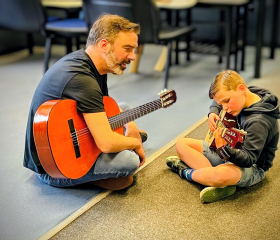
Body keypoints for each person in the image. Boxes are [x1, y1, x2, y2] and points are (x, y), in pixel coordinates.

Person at [23, 14, 147, 190]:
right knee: (129, 161)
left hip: (69, 136)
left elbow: (103, 108)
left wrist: (130, 122)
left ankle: (122, 138)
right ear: (104, 45)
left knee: (124, 108)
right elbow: (106, 143)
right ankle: (92, 173)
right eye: (127, 48)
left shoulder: (89, 63)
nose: (132, 56)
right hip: (53, 168)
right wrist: (135, 143)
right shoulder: (82, 79)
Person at [166, 70, 280, 203]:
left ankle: (186, 172)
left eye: (226, 101)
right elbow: (217, 101)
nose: (224, 108)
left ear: (242, 89)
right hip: (230, 151)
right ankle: (213, 180)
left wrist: (222, 148)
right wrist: (213, 112)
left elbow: (248, 159)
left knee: (222, 173)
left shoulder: (258, 121)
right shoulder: (246, 94)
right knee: (181, 144)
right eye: (222, 104)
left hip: (251, 167)